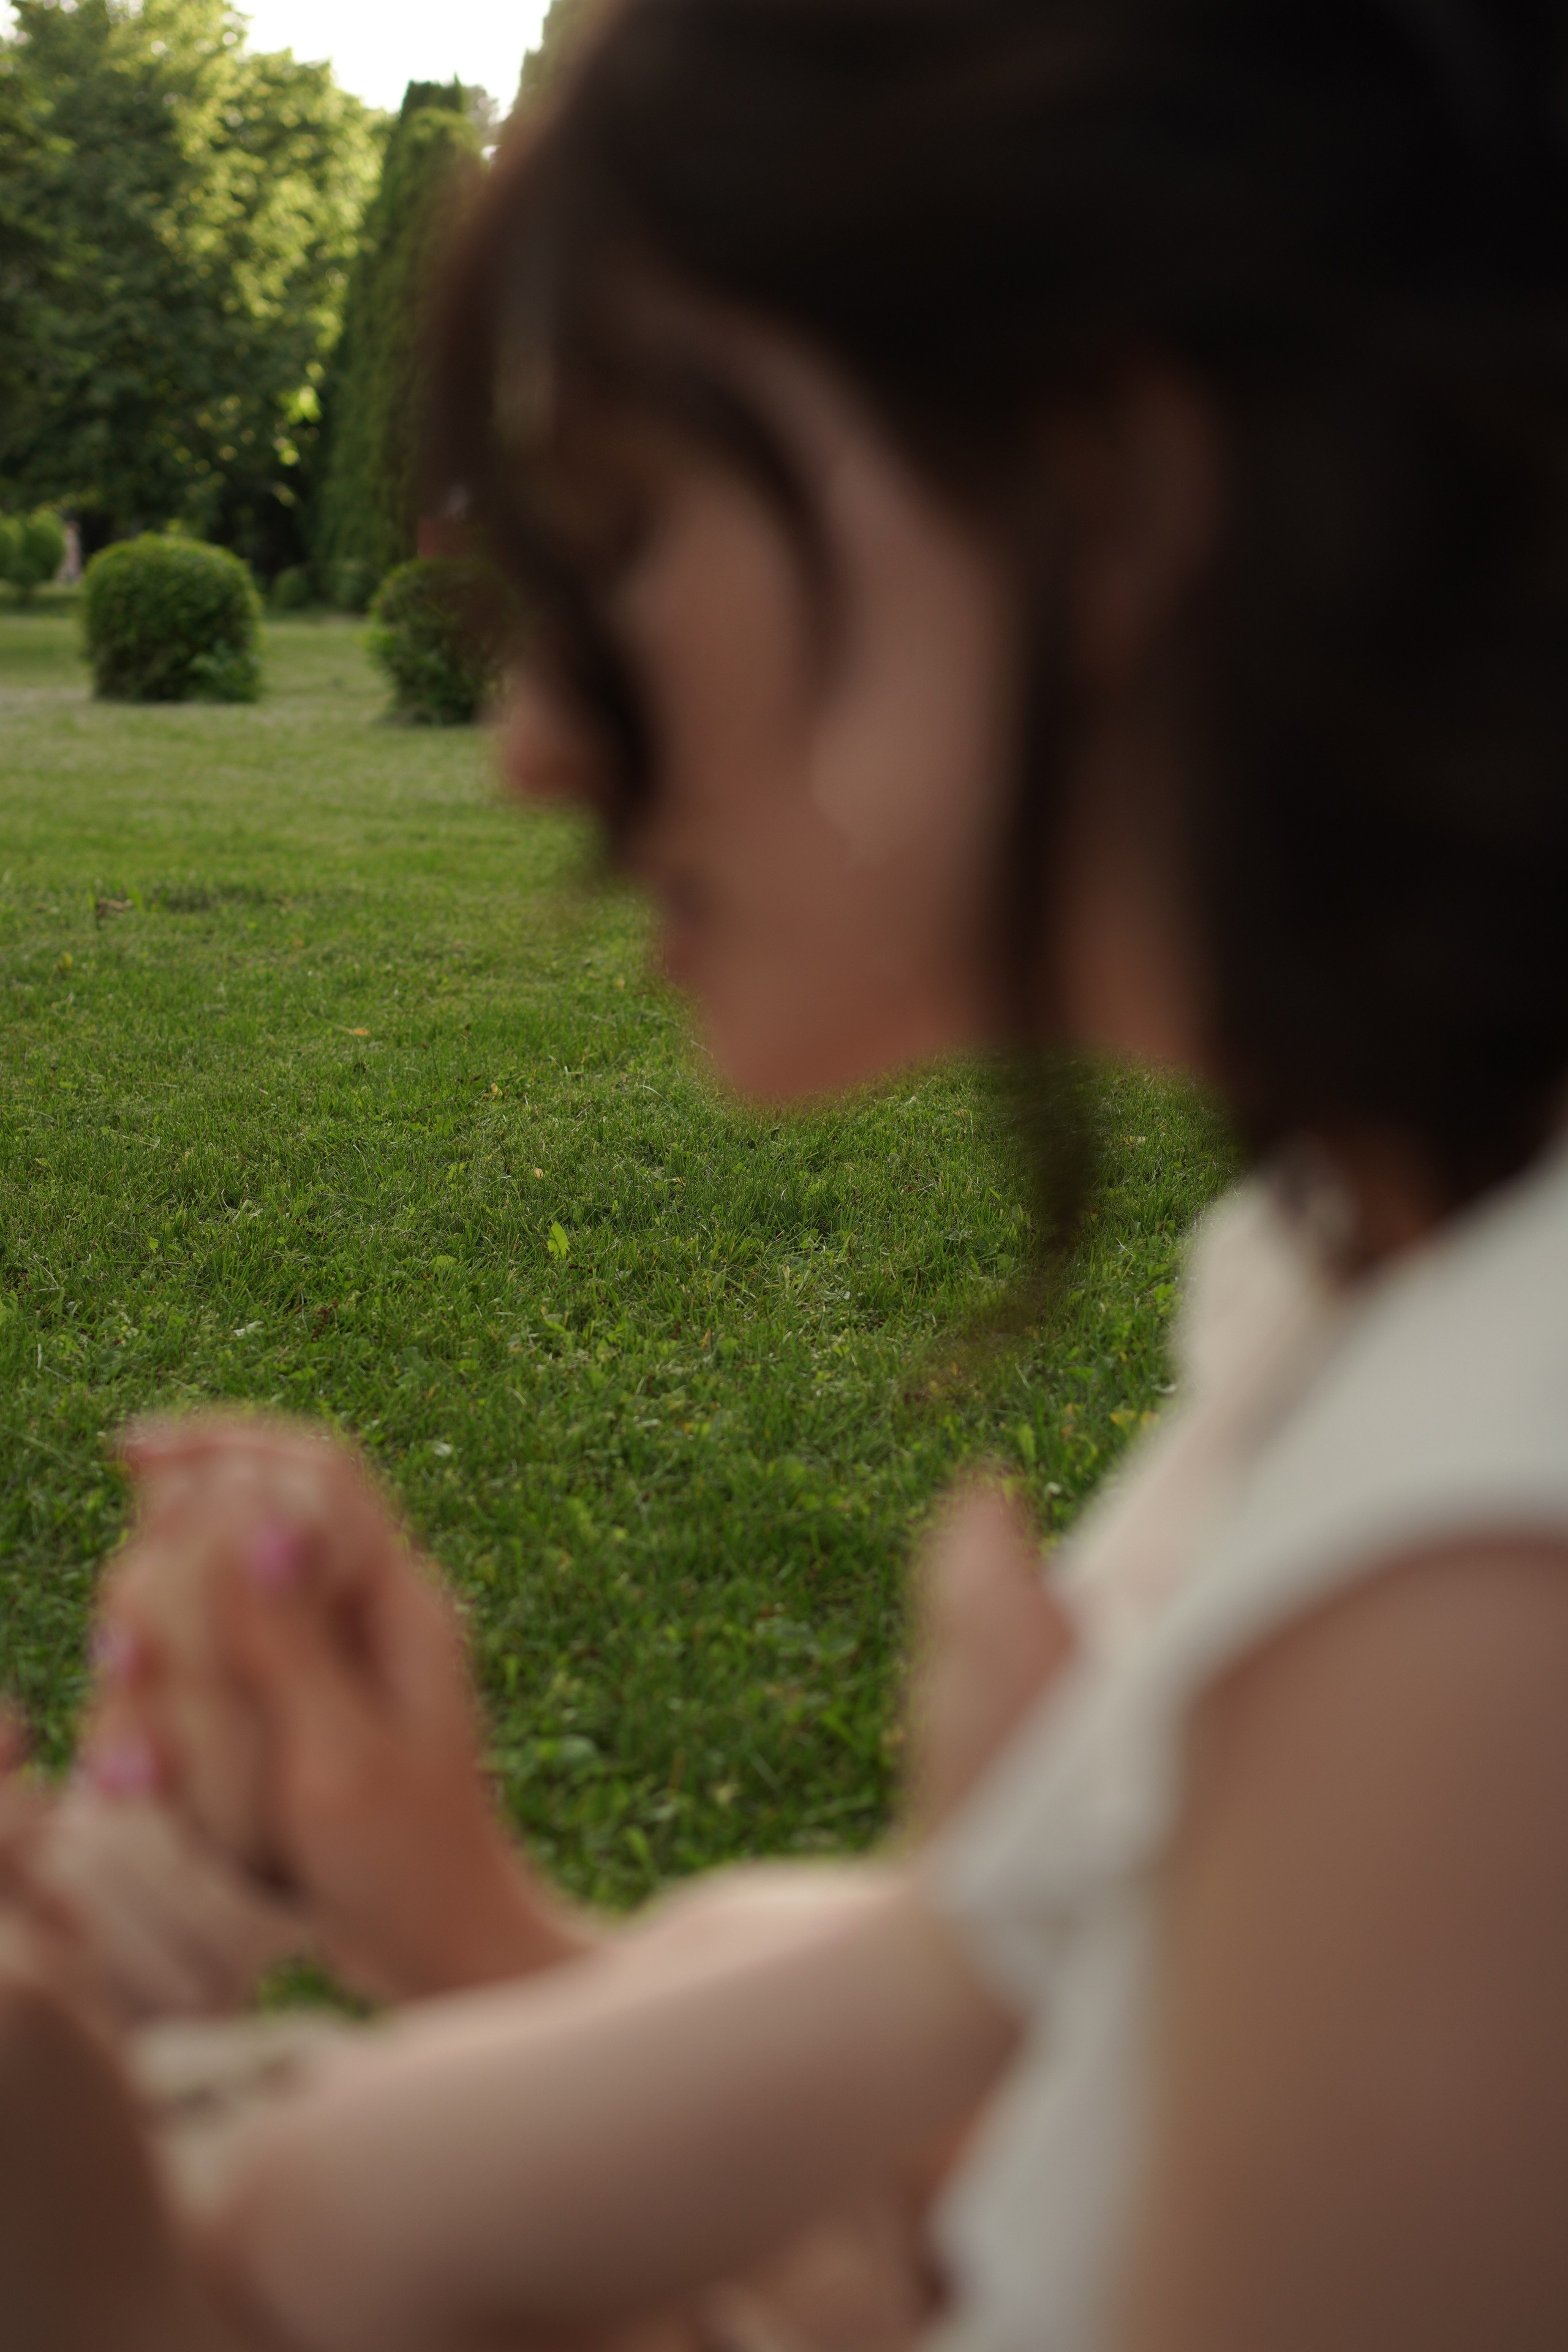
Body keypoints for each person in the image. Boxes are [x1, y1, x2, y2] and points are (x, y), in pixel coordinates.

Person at [14, 0, 1568, 2345]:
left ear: (1098, 493)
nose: (533, 742)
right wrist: (460, 1919)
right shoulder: (1366, 1264)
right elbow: (1041, 2173)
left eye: (615, 535)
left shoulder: (1474, 1609)